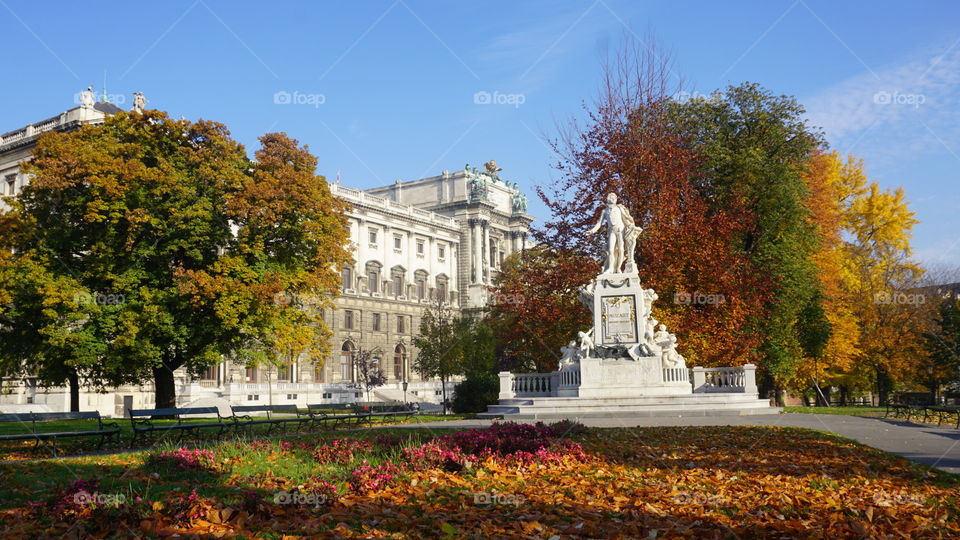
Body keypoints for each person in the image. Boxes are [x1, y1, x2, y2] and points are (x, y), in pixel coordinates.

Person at [586, 193, 643, 274]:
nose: (612, 199)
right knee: (610, 250)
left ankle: (618, 268)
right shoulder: (604, 211)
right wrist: (592, 231)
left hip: (620, 230)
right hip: (611, 231)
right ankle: (610, 268)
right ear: (607, 199)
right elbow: (599, 223)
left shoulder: (620, 208)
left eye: (614, 197)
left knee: (621, 249)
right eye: (610, 197)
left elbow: (626, 219)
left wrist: (631, 226)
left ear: (616, 199)